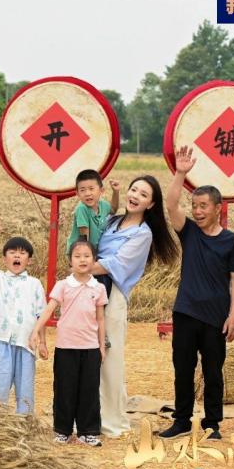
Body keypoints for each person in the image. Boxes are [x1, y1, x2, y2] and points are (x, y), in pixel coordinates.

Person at [160, 146, 234, 440]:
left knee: (213, 373)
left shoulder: (232, 242)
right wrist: (181, 172)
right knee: (182, 369)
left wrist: (233, 317)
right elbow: (171, 205)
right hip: (185, 312)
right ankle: (181, 420)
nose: (197, 211)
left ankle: (212, 424)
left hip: (215, 317)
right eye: (194, 205)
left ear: (217, 208)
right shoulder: (190, 232)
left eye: (203, 206)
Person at [90, 175, 178, 437]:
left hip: (112, 295)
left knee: (109, 356)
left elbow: (114, 264)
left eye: (143, 194)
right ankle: (88, 414)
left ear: (151, 204)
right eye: (134, 189)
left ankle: (112, 421)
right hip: (90, 290)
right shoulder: (112, 221)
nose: (135, 196)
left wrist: (79, 270)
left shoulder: (142, 234)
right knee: (87, 354)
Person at [30, 239, 108, 447]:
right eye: (77, 256)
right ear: (70, 262)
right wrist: (36, 331)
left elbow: (100, 319)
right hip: (66, 347)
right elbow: (49, 310)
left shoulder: (98, 288)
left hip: (90, 348)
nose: (82, 259)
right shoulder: (63, 285)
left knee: (89, 391)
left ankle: (88, 431)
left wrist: (101, 346)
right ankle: (63, 431)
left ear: (94, 260)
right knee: (64, 390)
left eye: (87, 256)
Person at [0, 217, 46, 414]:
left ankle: (25, 423)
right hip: (1, 341)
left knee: (25, 388)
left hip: (26, 342)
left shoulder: (35, 284)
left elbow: (42, 314)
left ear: (29, 260)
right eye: (12, 252)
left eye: (22, 253)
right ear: (4, 258)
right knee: (0, 383)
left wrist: (43, 343)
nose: (17, 256)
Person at [66, 169, 120, 251]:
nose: (87, 193)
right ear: (77, 194)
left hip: (93, 250)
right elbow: (84, 238)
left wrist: (116, 192)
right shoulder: (82, 209)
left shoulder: (103, 205)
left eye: (91, 189)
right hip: (79, 251)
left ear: (101, 191)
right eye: (82, 190)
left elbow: (113, 210)